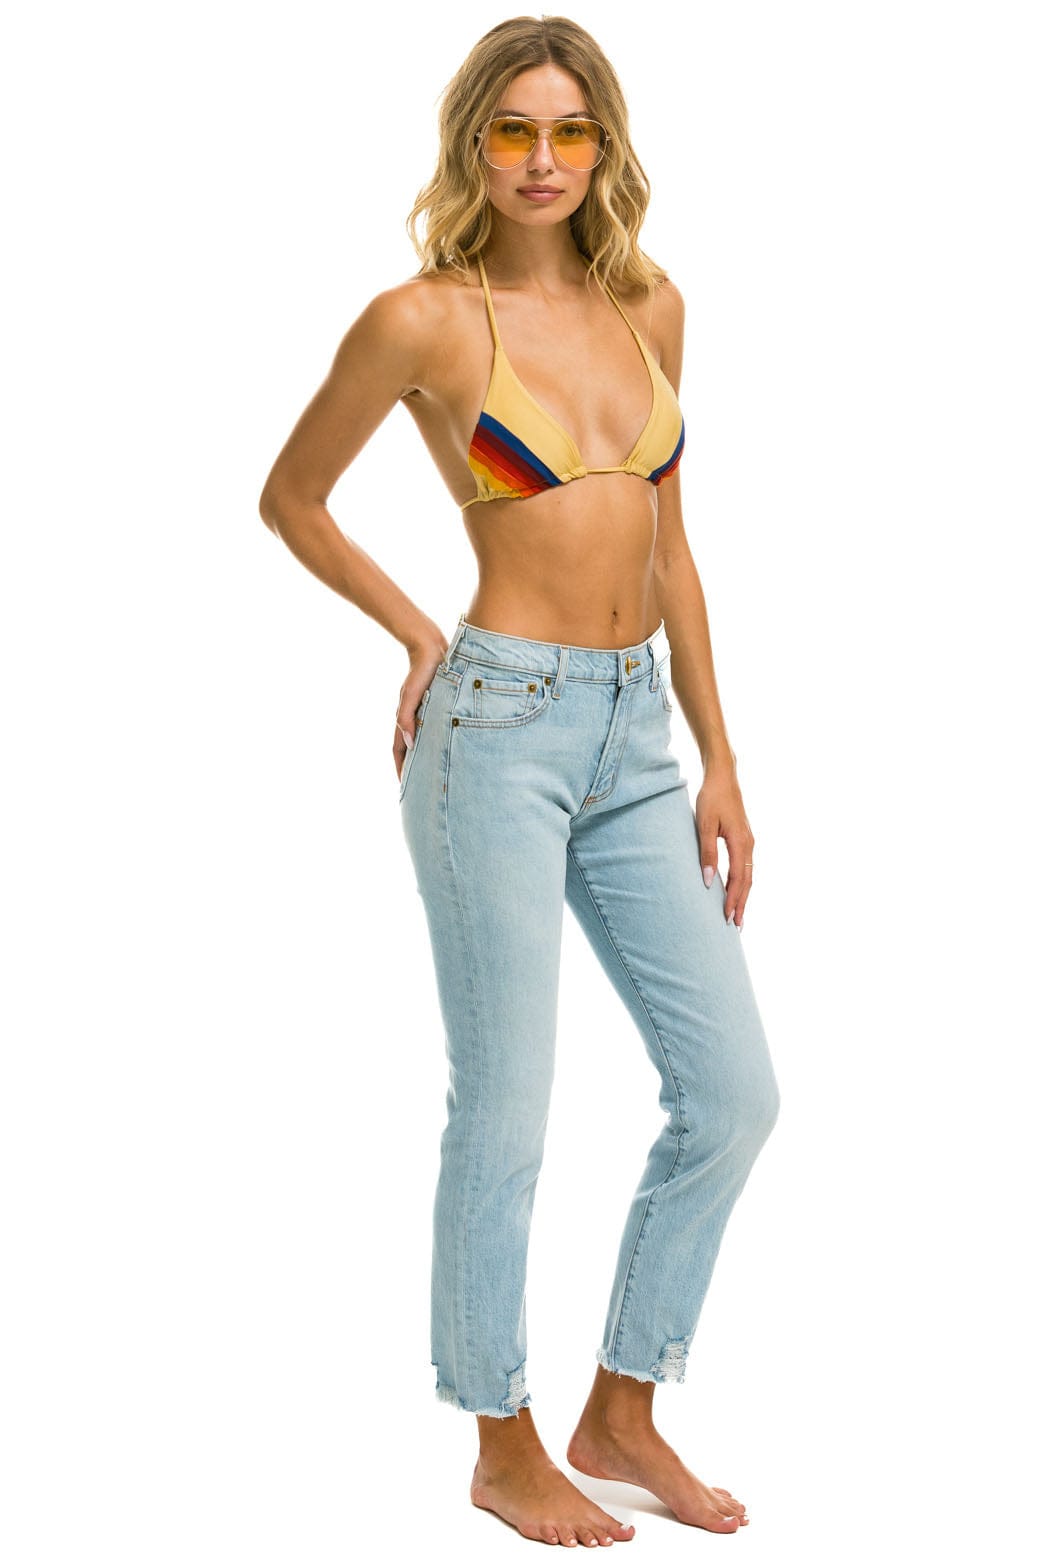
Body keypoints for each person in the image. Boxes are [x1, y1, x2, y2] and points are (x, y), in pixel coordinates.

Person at [259, 14, 780, 1549]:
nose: (542, 161)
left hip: (637, 738)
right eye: (512, 131)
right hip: (496, 729)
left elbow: (674, 550)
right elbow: (292, 497)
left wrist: (721, 756)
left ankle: (622, 1411)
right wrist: (421, 632)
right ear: (471, 144)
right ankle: (502, 1440)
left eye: (569, 132)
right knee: (506, 1105)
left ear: (603, 145)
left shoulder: (651, 306)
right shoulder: (425, 319)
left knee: (733, 1094)